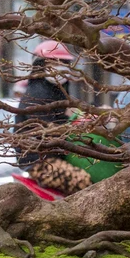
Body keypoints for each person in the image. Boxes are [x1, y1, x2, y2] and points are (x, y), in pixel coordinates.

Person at [15, 41, 92, 195]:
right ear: (40, 65)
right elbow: (50, 129)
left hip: (55, 157)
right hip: (40, 162)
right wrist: (75, 123)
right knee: (85, 182)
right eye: (54, 63)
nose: (59, 67)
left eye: (63, 63)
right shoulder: (37, 94)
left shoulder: (56, 90)